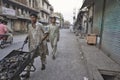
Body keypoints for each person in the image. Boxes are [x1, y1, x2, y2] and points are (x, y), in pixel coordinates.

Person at [22, 13, 49, 78]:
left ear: (36, 18)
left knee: (42, 55)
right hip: (32, 45)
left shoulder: (40, 25)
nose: (32, 19)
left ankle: (43, 64)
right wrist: (26, 39)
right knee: (30, 58)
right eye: (31, 17)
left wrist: (42, 40)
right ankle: (28, 73)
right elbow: (29, 33)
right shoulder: (29, 26)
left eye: (33, 17)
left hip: (41, 44)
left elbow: (46, 33)